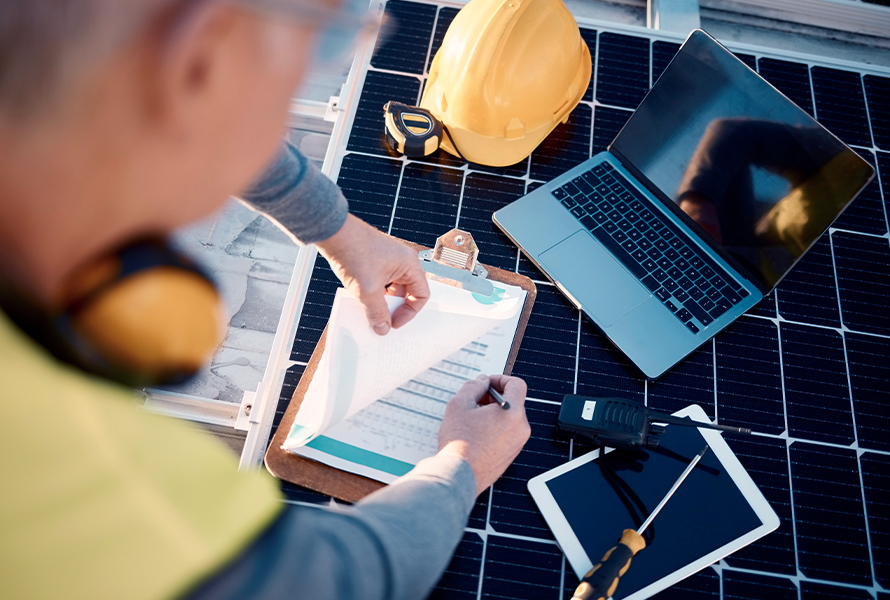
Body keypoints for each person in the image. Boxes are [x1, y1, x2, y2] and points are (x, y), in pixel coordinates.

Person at [0, 1, 531, 599]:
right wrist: (461, 465)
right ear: (199, 61)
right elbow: (338, 580)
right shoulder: (82, 470)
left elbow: (179, 109)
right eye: (322, 51)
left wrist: (339, 230)